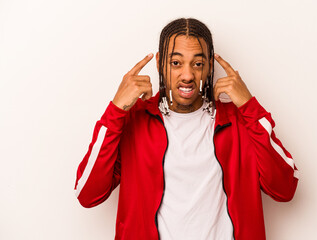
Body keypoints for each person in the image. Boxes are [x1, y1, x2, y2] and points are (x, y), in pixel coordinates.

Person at [74, 18, 299, 240]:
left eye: (198, 64)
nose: (188, 76)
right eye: (176, 63)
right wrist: (116, 111)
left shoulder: (240, 122)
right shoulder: (134, 120)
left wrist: (250, 107)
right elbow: (88, 195)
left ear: (210, 65)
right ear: (160, 62)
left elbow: (284, 188)